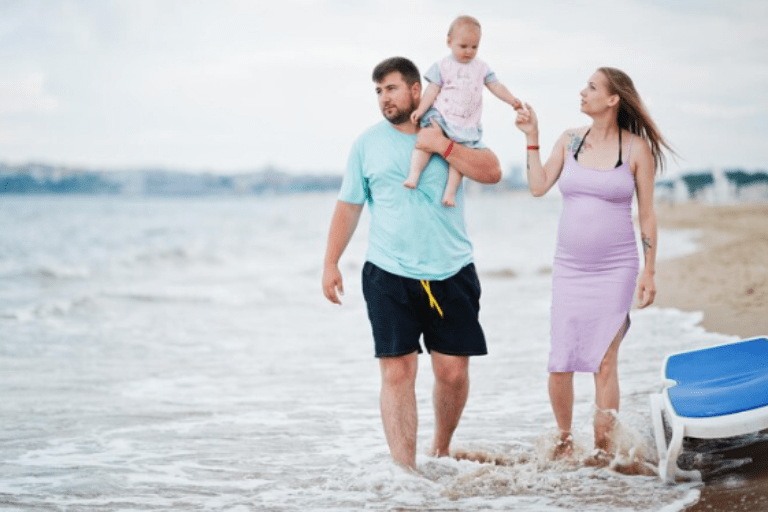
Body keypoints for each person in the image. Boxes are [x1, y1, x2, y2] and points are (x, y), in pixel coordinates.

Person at [322, 56, 502, 470]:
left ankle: (440, 450)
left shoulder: (451, 128)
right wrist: (331, 262)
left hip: (451, 270)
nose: (384, 98)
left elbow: (491, 171)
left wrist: (444, 146)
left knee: (452, 373)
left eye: (391, 88)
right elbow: (349, 207)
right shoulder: (366, 144)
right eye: (379, 91)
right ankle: (406, 472)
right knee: (398, 373)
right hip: (387, 273)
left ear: (416, 90)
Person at [514, 67, 674, 460]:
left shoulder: (636, 150)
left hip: (616, 268)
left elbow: (648, 214)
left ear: (613, 99)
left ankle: (604, 452)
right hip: (569, 268)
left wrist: (649, 271)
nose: (582, 92)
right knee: (561, 361)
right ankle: (565, 443)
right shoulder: (569, 141)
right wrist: (532, 138)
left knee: (604, 360)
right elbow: (538, 186)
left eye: (591, 87)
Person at [404, 15, 521, 207]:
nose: (469, 51)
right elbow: (432, 90)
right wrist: (421, 110)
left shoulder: (481, 68)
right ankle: (413, 175)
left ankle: (450, 194)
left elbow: (496, 86)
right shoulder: (443, 65)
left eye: (474, 47)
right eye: (463, 46)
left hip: (465, 123)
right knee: (425, 143)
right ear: (449, 42)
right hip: (441, 116)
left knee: (458, 159)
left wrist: (511, 100)